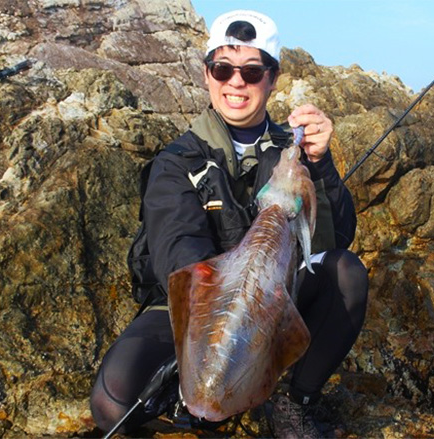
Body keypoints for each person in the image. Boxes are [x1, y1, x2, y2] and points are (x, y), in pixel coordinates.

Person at [89, 10, 368, 438]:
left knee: (346, 273)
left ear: (272, 79)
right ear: (207, 75)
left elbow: (337, 237)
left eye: (251, 72)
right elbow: (177, 250)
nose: (236, 82)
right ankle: (193, 403)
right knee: (113, 402)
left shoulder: (291, 151)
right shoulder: (176, 161)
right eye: (223, 69)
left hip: (276, 292)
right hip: (195, 302)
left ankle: (292, 402)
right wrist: (218, 338)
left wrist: (320, 166)